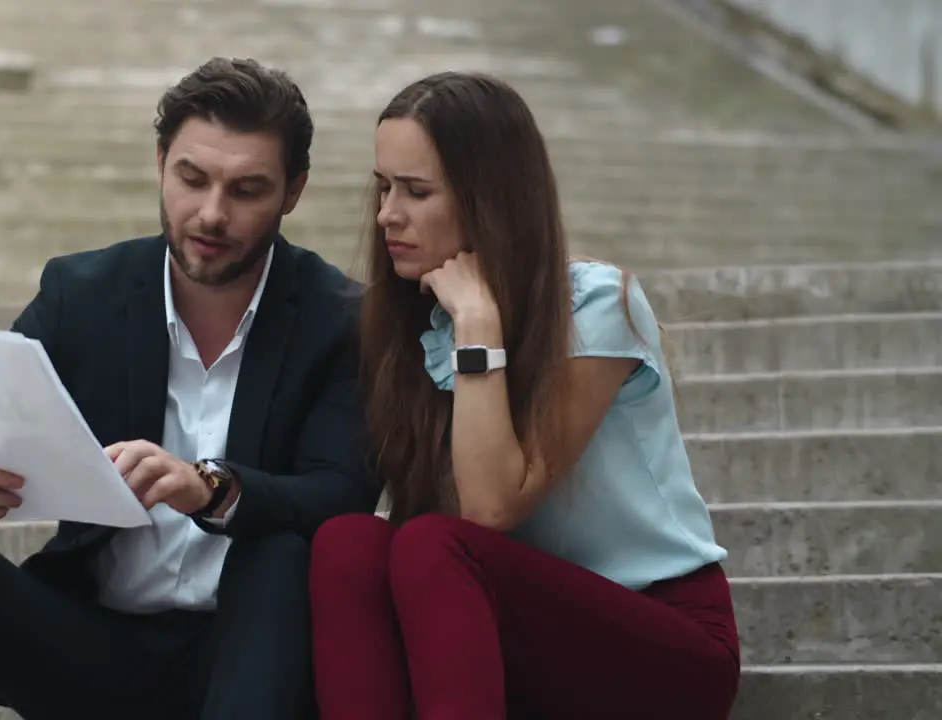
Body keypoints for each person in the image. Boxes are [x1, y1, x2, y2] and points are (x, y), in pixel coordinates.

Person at [0, 57, 378, 720]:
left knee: (283, 551)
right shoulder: (84, 295)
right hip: (93, 648)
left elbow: (340, 495)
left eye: (247, 190)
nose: (211, 213)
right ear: (160, 162)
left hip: (255, 658)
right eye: (191, 179)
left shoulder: (340, 319)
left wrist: (212, 488)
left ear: (294, 191)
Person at [308, 72, 741, 720]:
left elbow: (488, 510)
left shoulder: (594, 309)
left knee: (432, 544)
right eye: (384, 187)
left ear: (490, 198)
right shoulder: (411, 324)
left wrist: (479, 326)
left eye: (417, 191)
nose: (387, 215)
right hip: (511, 630)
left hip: (660, 638)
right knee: (350, 544)